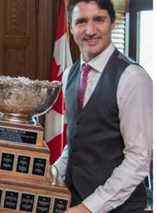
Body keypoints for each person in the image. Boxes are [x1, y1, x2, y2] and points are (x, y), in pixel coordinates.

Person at [54, 0, 152, 212]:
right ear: (70, 28)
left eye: (98, 19)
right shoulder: (69, 74)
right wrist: (52, 175)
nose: (90, 30)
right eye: (81, 22)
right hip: (74, 201)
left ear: (113, 23)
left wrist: (89, 208)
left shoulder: (132, 78)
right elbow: (78, 140)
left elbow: (139, 159)